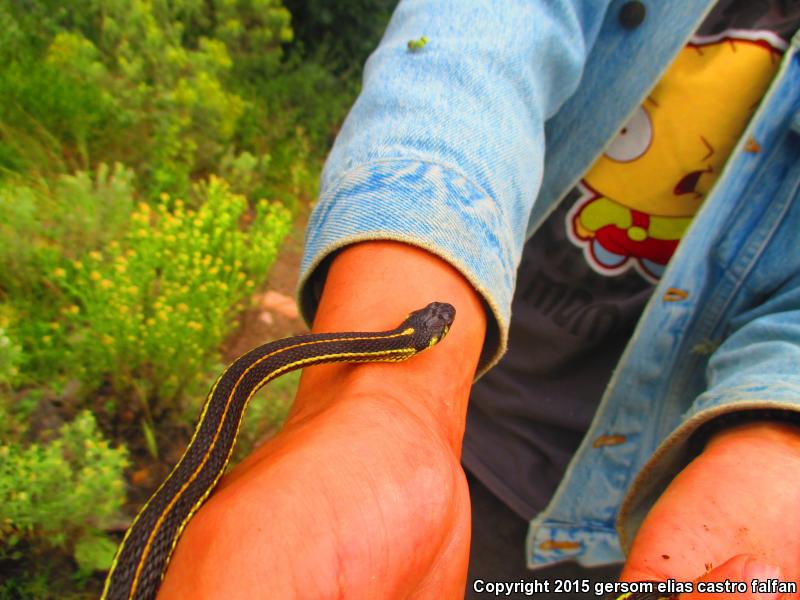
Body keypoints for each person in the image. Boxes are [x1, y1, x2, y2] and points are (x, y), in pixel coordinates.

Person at [159, 1, 800, 598]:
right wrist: (395, 406)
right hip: (465, 436)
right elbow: (477, 34)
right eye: (434, 325)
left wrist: (773, 450)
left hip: (642, 513)